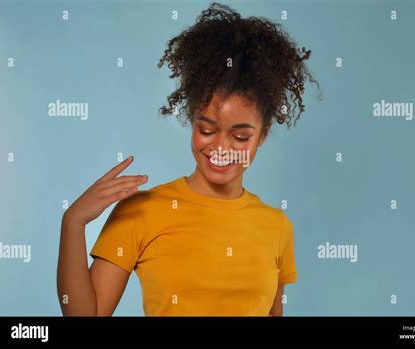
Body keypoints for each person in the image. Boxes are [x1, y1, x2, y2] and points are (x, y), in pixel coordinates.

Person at [57, 2, 320, 316]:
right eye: (207, 129)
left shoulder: (277, 227)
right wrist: (72, 224)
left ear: (262, 135)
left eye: (240, 136)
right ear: (192, 120)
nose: (221, 147)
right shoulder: (141, 212)